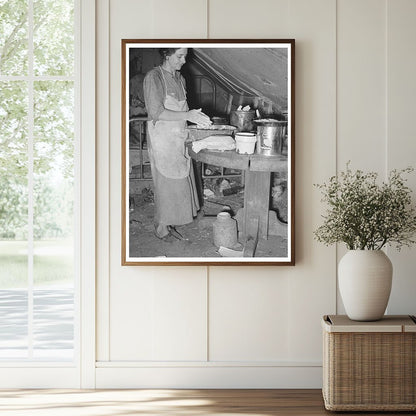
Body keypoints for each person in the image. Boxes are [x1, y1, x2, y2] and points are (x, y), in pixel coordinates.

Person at [143, 48, 212, 241]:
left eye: (185, 56)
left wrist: (195, 120)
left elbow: (183, 111)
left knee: (179, 180)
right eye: (179, 56)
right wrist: (188, 115)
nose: (184, 60)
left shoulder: (180, 78)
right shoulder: (154, 77)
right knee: (165, 184)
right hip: (162, 138)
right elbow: (157, 112)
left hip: (178, 136)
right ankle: (161, 228)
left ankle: (170, 222)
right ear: (166, 54)